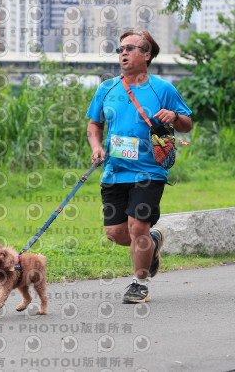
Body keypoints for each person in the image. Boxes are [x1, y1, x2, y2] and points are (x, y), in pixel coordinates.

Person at [86, 29, 193, 303]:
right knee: (116, 233)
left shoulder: (162, 89)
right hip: (114, 170)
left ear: (146, 55)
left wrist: (175, 115)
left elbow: (186, 124)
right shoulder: (107, 88)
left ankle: (139, 283)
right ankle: (153, 242)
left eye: (130, 48)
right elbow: (94, 124)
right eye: (120, 49)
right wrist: (96, 147)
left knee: (137, 228)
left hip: (149, 170)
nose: (123, 53)